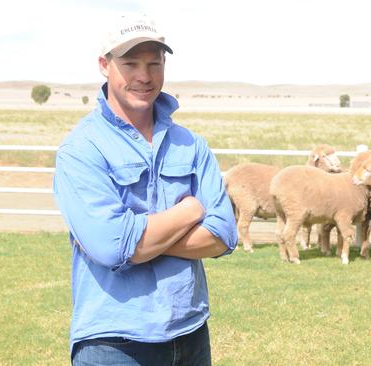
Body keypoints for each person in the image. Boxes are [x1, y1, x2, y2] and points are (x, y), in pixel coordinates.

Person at [53, 13, 237, 365]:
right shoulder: (82, 150)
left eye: (154, 63)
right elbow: (112, 247)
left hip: (190, 333)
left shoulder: (190, 144)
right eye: (131, 63)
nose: (144, 75)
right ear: (104, 66)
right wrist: (191, 211)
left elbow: (224, 234)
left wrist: (140, 239)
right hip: (113, 342)